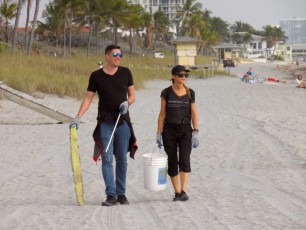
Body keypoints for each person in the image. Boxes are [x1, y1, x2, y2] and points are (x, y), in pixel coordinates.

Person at [69, 44, 137, 206]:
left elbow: (132, 95)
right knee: (107, 158)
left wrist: (128, 103)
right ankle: (111, 195)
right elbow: (88, 98)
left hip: (123, 122)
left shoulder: (126, 72)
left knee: (122, 159)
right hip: (105, 122)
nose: (118, 57)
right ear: (107, 56)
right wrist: (77, 117)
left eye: (121, 54)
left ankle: (121, 194)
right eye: (115, 54)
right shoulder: (96, 76)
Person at [156, 65, 199, 202]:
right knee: (173, 161)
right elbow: (162, 114)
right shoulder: (166, 92)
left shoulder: (190, 92)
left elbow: (193, 113)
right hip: (169, 130)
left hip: (185, 129)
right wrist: (158, 132)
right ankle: (177, 192)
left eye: (185, 75)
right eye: (181, 75)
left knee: (185, 160)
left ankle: (184, 190)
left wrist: (196, 131)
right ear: (174, 76)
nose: (184, 77)